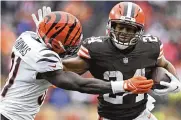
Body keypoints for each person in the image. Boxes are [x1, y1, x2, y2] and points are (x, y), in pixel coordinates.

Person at [0, 7, 153, 120]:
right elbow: (79, 84)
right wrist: (123, 85)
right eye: (69, 44)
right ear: (55, 44)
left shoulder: (27, 37)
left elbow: (47, 52)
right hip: (12, 116)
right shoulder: (44, 56)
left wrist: (47, 26)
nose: (72, 48)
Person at [63, 2, 181, 120]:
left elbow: (164, 64)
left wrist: (175, 80)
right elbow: (71, 69)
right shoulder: (96, 48)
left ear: (139, 31)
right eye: (120, 27)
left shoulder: (150, 47)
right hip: (110, 117)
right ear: (111, 26)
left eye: (129, 29)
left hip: (141, 115)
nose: (124, 32)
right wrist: (52, 61)